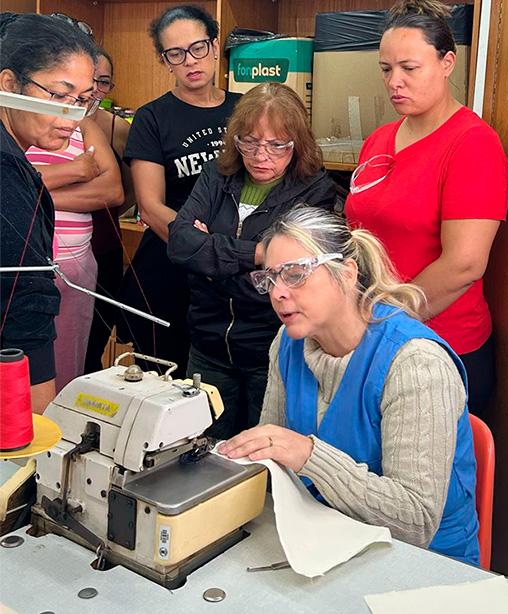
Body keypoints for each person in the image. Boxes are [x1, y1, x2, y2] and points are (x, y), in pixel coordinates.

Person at [219, 207, 480, 565]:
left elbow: (416, 522)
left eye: (295, 274)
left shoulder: (416, 363)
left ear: (346, 273)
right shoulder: (288, 343)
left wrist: (309, 456)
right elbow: (270, 457)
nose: (277, 293)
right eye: (270, 278)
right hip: (326, 536)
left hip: (423, 561)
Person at [344, 0, 508, 421]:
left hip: (440, 345)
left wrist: (382, 319)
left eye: (409, 68)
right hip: (375, 336)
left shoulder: (473, 144)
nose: (394, 82)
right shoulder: (379, 139)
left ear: (447, 63)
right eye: (386, 69)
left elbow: (464, 264)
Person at [168, 83, 338, 439]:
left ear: (297, 144)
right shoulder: (217, 174)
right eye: (249, 142)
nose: (261, 156)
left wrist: (210, 263)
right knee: (200, 448)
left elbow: (286, 280)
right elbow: (180, 244)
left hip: (271, 351)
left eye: (277, 145)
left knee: (261, 454)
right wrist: (259, 254)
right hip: (207, 345)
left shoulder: (315, 190)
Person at [117, 5, 241, 376]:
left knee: (223, 386)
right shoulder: (152, 118)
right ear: (165, 61)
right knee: (165, 385)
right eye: (175, 53)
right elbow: (150, 206)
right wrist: (205, 250)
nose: (190, 60)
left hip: (235, 272)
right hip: (170, 269)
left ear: (215, 46)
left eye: (198, 47)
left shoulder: (246, 109)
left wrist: (231, 254)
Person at [0, 12, 99, 412]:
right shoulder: (7, 175)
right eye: (59, 96)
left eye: (83, 101)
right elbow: (24, 311)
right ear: (9, 85)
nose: (72, 116)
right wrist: (38, 418)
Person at [84, 47, 135, 373]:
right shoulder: (47, 124)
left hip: (104, 251)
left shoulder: (118, 128)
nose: (94, 90)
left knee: (92, 346)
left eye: (103, 82)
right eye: (89, 80)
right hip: (55, 254)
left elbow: (127, 192)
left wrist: (101, 208)